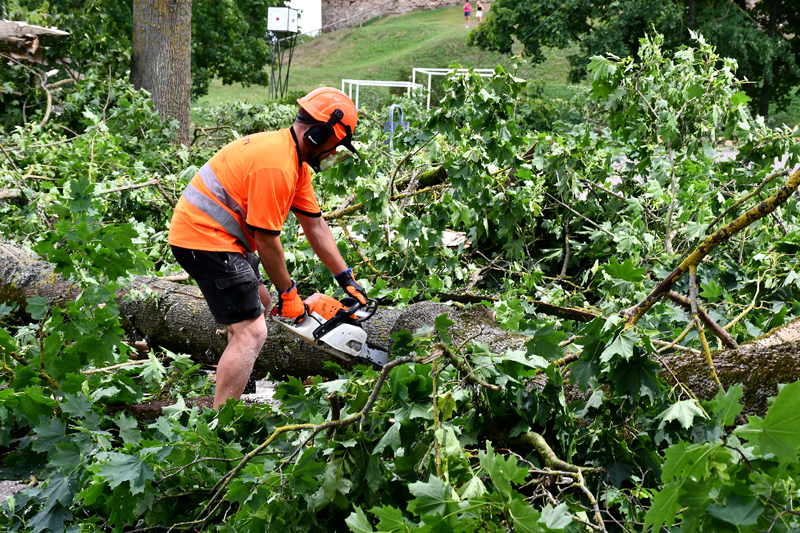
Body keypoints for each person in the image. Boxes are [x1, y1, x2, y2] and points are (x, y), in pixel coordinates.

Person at [167, 87, 369, 409]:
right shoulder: (277, 165)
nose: (333, 154)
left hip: (220, 238)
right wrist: (288, 293)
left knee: (258, 301)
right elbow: (266, 240)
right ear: (318, 135)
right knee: (253, 331)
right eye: (335, 146)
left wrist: (346, 277)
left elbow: (316, 226)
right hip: (203, 238)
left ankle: (241, 388)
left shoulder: (295, 163)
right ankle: (221, 420)